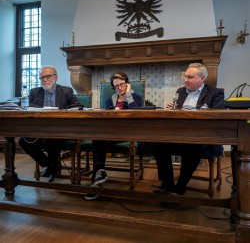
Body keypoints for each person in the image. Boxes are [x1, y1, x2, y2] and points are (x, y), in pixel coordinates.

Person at [152, 63, 225, 195]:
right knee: (158, 143)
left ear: (202, 79)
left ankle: (180, 187)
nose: (186, 80)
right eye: (185, 77)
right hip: (179, 135)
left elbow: (218, 116)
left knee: (192, 145)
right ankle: (167, 184)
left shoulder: (215, 93)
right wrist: (172, 110)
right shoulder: (180, 92)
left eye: (190, 77)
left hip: (203, 138)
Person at [84, 72, 143, 200]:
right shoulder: (110, 99)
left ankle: (97, 177)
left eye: (122, 84)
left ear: (127, 84)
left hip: (127, 132)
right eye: (116, 86)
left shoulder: (136, 97)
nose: (119, 88)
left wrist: (128, 95)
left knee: (99, 138)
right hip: (109, 133)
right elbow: (104, 118)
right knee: (98, 137)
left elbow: (136, 113)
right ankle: (98, 175)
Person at [19, 66, 81, 182]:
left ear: (56, 77)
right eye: (42, 77)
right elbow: (30, 109)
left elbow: (77, 106)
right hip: (40, 130)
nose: (45, 79)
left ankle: (52, 168)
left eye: (48, 76)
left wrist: (64, 111)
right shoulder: (35, 92)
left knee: (50, 139)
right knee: (23, 141)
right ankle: (51, 165)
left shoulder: (66, 91)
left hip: (62, 130)